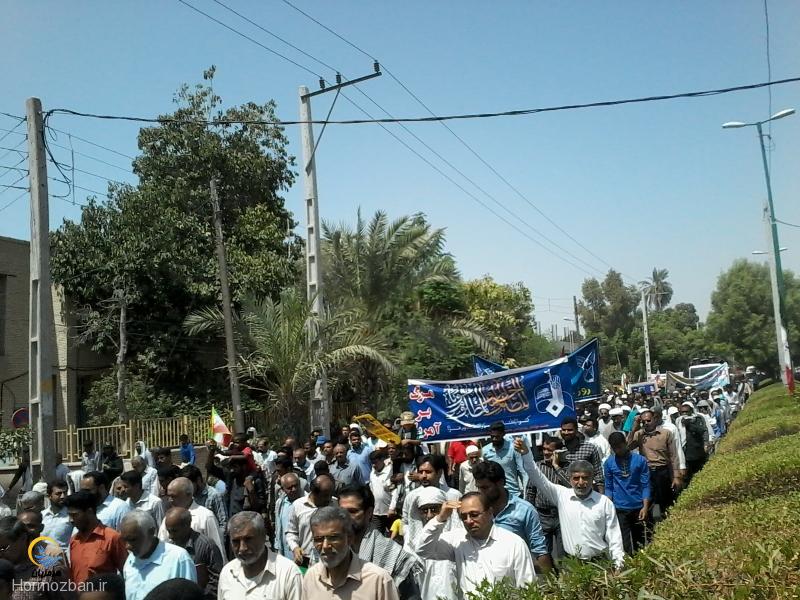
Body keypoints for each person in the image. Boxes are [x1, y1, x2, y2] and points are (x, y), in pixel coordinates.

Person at [515, 439, 624, 568]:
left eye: (585, 478)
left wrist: (618, 565)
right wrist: (526, 454)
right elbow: (536, 476)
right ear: (570, 479)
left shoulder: (604, 503)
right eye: (576, 478)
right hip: (573, 565)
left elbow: (614, 537)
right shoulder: (562, 495)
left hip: (600, 564)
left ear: (592, 478)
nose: (581, 482)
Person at [417, 492, 536, 594]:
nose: (468, 521)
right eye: (464, 517)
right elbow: (423, 550)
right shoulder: (458, 540)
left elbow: (527, 587)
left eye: (474, 515)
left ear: (490, 512)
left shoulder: (513, 543)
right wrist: (440, 518)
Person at [338, 485, 419, 598]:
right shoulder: (331, 548)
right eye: (341, 512)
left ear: (369, 513)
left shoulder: (393, 554)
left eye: (353, 511)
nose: (346, 517)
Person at [304, 506, 399, 600]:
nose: (325, 546)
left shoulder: (378, 580)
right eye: (318, 539)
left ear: (349, 538)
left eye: (333, 538)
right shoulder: (311, 577)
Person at [472, 460, 551, 573]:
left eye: (485, 487)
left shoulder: (524, 510)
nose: (481, 492)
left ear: (500, 483)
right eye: (478, 487)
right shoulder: (475, 510)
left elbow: (540, 550)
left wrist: (548, 580)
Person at [218, 511, 303, 600]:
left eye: (248, 539)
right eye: (236, 541)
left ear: (263, 536)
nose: (242, 548)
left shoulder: (288, 573)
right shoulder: (227, 573)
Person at [120, 510, 197, 600]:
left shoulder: (179, 559)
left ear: (151, 532)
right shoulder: (129, 563)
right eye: (125, 540)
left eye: (133, 539)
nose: (127, 546)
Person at [627, 408, 682, 515]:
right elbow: (628, 447)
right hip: (646, 472)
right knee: (648, 500)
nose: (646, 423)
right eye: (643, 421)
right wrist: (633, 429)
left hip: (663, 471)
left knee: (665, 501)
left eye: (648, 420)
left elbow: (673, 456)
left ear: (655, 419)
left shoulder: (666, 433)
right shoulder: (639, 435)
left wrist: (676, 477)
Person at [66, 490, 128, 583]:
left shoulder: (112, 538)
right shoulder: (74, 540)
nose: (70, 520)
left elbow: (126, 573)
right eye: (69, 515)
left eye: (74, 515)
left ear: (89, 512)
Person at [0, 516, 71, 598]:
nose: (0, 553)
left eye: (4, 547)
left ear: (23, 538)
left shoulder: (50, 571)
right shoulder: (3, 569)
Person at [604, 432, 651, 555]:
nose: (618, 451)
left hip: (638, 507)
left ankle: (641, 563)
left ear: (626, 443)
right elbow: (608, 487)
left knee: (640, 542)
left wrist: (645, 507)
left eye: (620, 447)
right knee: (624, 543)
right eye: (614, 448)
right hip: (619, 508)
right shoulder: (609, 463)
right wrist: (608, 507)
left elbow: (645, 485)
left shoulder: (640, 460)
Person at [525, 436, 570, 560]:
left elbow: (570, 485)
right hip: (542, 515)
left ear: (558, 452)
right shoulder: (538, 467)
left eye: (549, 450)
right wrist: (531, 512)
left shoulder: (567, 467)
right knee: (543, 552)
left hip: (562, 515)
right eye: (544, 449)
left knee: (564, 553)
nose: (545, 453)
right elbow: (530, 490)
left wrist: (556, 467)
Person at [163, 507, 222, 600]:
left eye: (174, 531)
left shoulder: (206, 546)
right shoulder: (169, 547)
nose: (170, 536)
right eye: (168, 531)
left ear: (187, 525)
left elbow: (216, 580)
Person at [158, 478, 225, 557]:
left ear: (189, 494)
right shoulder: (169, 517)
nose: (170, 500)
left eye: (174, 496)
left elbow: (217, 549)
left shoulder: (206, 517)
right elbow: (162, 545)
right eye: (169, 496)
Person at [286, 473, 337, 567]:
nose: (329, 498)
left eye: (331, 494)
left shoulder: (335, 504)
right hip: (306, 561)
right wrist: (295, 548)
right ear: (314, 492)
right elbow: (291, 532)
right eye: (326, 495)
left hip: (330, 560)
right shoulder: (298, 506)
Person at [481, 422, 528, 497]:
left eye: (497, 436)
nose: (494, 439)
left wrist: (526, 493)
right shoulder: (485, 451)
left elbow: (522, 472)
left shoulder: (513, 448)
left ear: (503, 434)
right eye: (492, 436)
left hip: (513, 494)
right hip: (495, 495)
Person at [179, 465, 227, 541]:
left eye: (189, 485)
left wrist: (217, 542)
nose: (187, 489)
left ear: (198, 480)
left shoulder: (214, 495)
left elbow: (223, 524)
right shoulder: (188, 496)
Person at [560, 417, 604, 493]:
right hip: (563, 492)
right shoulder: (558, 449)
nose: (566, 432)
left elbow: (598, 474)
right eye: (564, 430)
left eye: (570, 430)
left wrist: (601, 495)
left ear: (576, 430)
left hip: (586, 491)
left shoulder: (589, 448)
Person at [275, 473, 305, 560]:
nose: (294, 489)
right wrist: (277, 545)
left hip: (300, 552)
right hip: (284, 551)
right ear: (283, 489)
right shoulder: (280, 503)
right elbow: (278, 525)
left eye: (296, 485)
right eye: (289, 488)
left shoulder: (306, 503)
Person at [368, 450, 399, 533]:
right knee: (377, 535)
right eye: (372, 463)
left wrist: (392, 508)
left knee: (394, 536)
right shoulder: (372, 473)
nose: (374, 465)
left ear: (382, 460)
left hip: (389, 512)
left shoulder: (389, 472)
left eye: (376, 462)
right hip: (376, 513)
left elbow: (394, 492)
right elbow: (371, 489)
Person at [678, 402, 709, 484]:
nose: (684, 414)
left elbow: (702, 431)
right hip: (684, 451)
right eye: (682, 412)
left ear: (691, 411)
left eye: (686, 412)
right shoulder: (678, 420)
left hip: (697, 451)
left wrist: (689, 424)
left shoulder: (697, 419)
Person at [42, 480, 73, 555]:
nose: (63, 496)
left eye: (65, 493)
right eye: (58, 494)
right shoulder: (42, 516)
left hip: (63, 558)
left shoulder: (71, 516)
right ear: (49, 496)